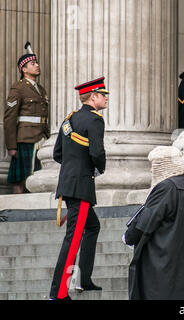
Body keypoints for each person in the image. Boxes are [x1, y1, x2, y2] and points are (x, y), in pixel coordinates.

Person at [49, 77, 109, 300]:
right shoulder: (95, 121)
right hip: (82, 186)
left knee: (92, 226)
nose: (105, 98)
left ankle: (84, 278)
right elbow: (96, 153)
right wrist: (99, 168)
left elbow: (57, 154)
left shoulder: (69, 119)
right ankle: (59, 293)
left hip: (68, 183)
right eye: (103, 95)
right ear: (92, 97)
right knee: (72, 240)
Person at [124, 146, 184, 300]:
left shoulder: (165, 187)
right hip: (182, 265)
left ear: (162, 165)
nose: (150, 171)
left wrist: (129, 236)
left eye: (153, 165)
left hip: (164, 269)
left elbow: (146, 220)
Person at [3, 42, 49, 194]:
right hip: (25, 138)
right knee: (21, 178)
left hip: (41, 137)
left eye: (37, 63)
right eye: (33, 63)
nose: (37, 66)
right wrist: (11, 146)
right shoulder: (19, 87)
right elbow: (10, 117)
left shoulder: (41, 90)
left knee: (37, 174)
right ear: (24, 69)